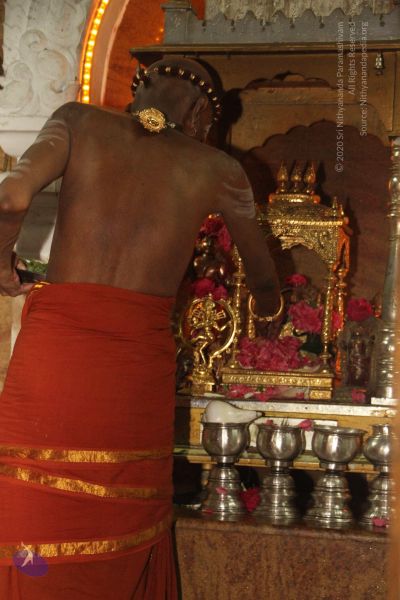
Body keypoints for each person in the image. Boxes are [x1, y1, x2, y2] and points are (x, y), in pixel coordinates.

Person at [0, 57, 280, 599]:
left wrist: (2, 267)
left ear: (142, 87)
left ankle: (30, 581)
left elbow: (10, 197)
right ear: (198, 113)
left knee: (31, 510)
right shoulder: (218, 168)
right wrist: (270, 317)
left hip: (54, 358)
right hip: (132, 372)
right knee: (120, 521)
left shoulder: (77, 121)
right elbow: (264, 279)